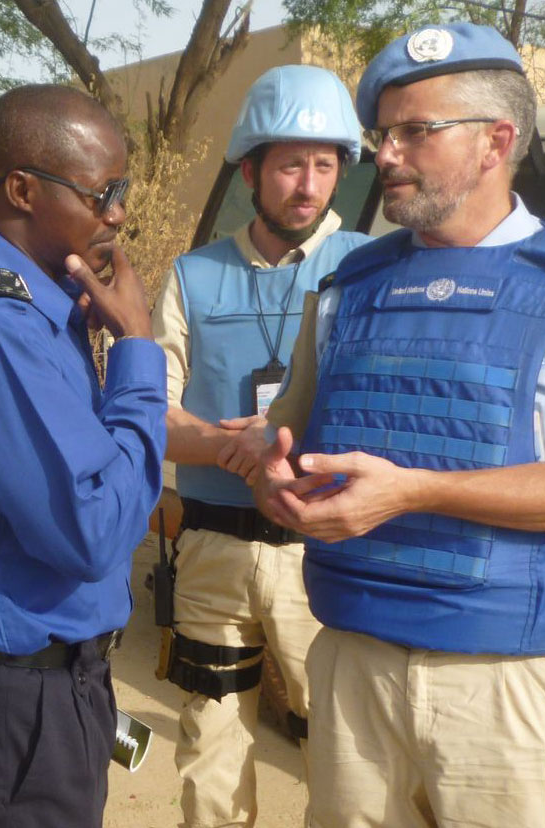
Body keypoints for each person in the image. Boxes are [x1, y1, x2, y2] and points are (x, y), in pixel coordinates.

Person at [247, 22, 545, 827]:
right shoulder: (348, 285)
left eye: (414, 132)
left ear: (496, 142)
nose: (384, 154)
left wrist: (410, 492)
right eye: (381, 133)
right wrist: (273, 475)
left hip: (510, 688)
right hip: (354, 669)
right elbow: (287, 434)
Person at [0, 84, 167, 828]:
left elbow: (92, 454)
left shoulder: (46, 314)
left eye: (122, 190)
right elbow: (93, 531)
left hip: (50, 688)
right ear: (21, 190)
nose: (116, 212)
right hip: (11, 702)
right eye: (101, 192)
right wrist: (138, 349)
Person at [149, 64, 370, 828]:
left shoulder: (373, 268)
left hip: (324, 554)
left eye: (323, 164)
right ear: (250, 171)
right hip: (212, 547)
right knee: (210, 750)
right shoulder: (192, 275)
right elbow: (150, 413)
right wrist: (234, 447)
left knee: (343, 756)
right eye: (287, 165)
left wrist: (271, 446)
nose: (306, 185)